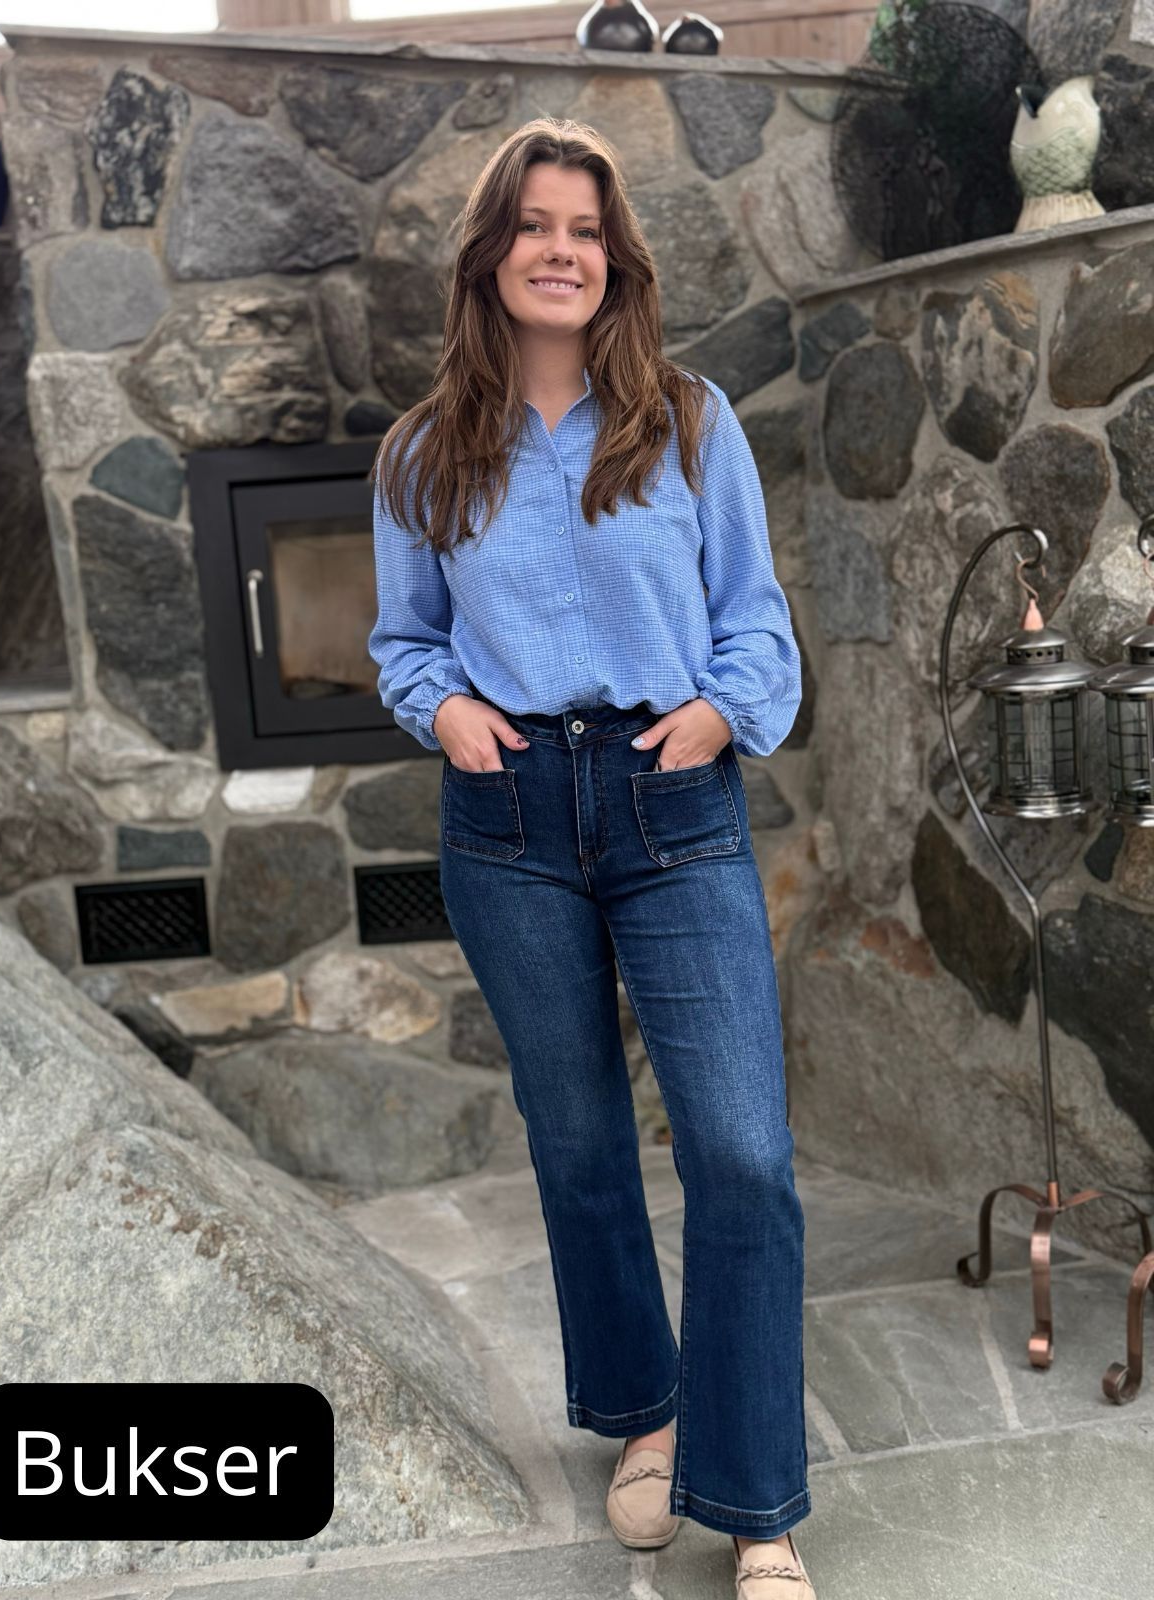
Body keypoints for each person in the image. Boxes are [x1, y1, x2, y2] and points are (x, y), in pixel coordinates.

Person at [368, 116, 814, 1599]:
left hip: (668, 798)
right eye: (535, 225)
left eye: (586, 231)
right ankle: (645, 1417)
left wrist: (719, 717)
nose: (561, 251)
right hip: (509, 820)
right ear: (490, 254)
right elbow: (405, 640)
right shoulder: (424, 451)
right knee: (577, 1143)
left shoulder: (688, 420)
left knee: (741, 1152)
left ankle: (757, 1504)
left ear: (615, 262)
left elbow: (755, 618)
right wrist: (445, 713)